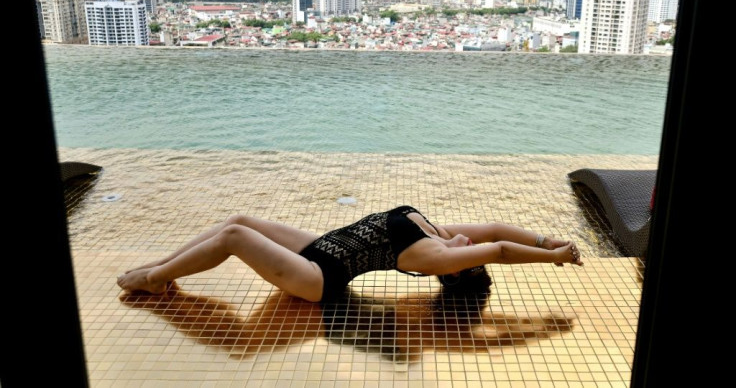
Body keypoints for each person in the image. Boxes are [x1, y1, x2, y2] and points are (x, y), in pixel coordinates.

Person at [117, 205, 583, 303]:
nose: (473, 246)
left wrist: (557, 259)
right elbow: (499, 228)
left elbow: (499, 248)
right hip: (319, 244)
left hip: (316, 276)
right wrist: (548, 240)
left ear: (457, 269)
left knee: (233, 240)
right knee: (237, 220)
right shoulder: (441, 233)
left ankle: (156, 279)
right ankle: (159, 268)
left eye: (470, 257)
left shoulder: (429, 255)